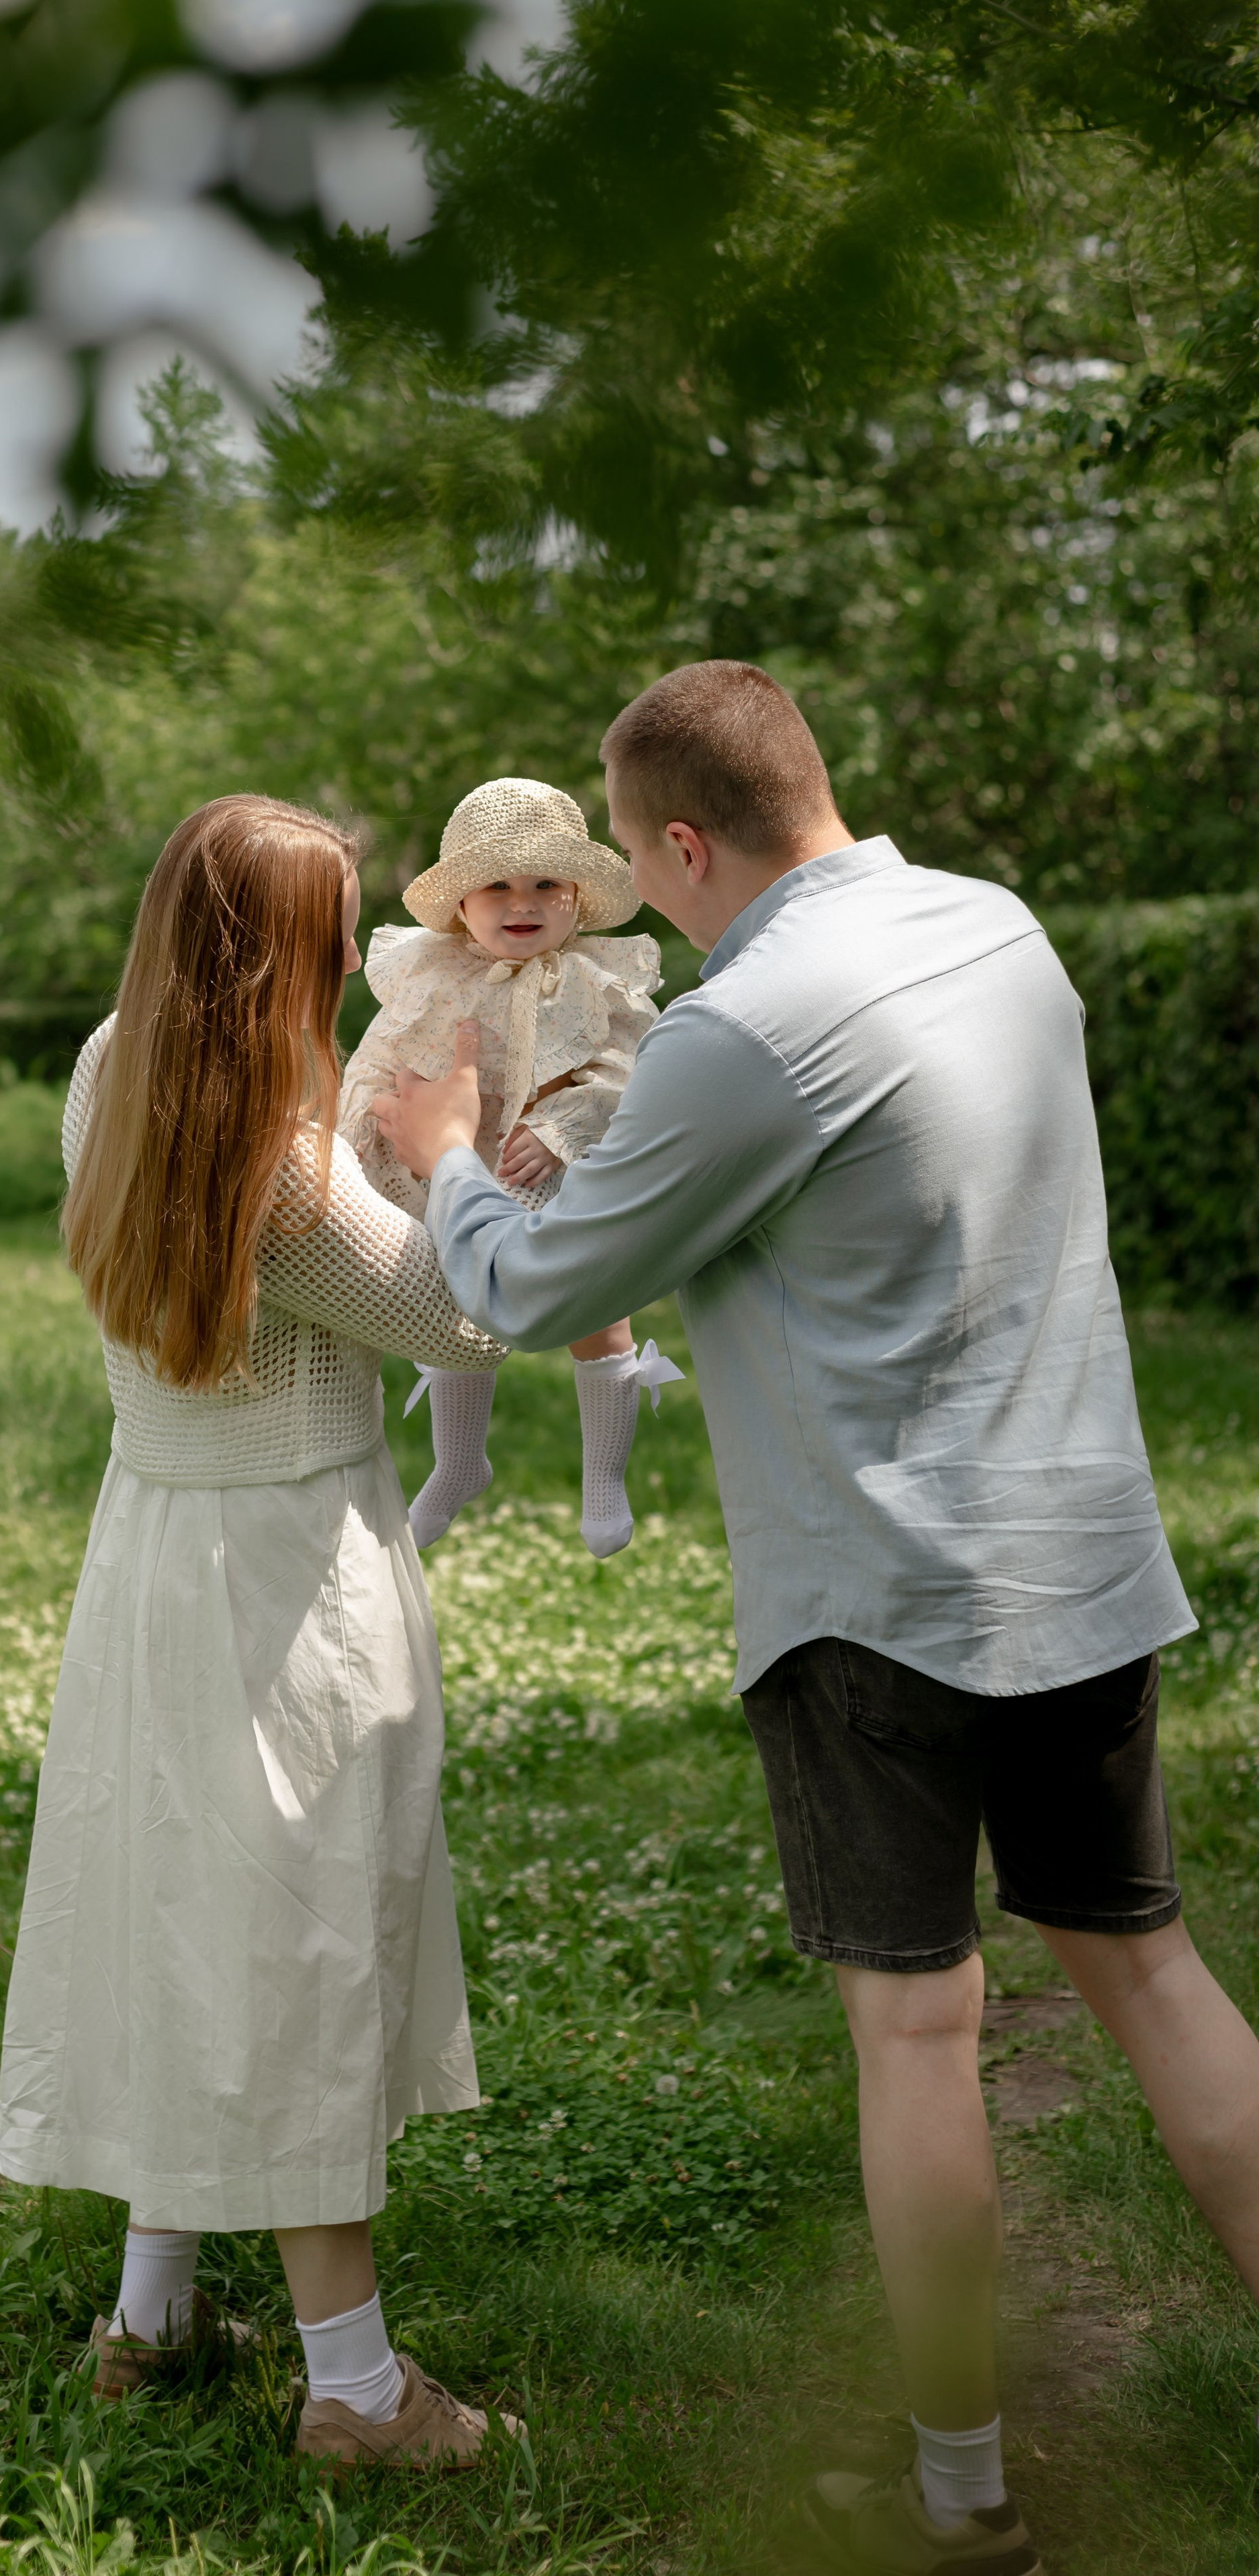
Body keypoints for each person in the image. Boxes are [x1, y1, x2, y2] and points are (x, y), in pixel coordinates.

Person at [373, 660, 1259, 2573]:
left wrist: (444, 1152)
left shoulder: (744, 1024)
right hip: (1079, 1546)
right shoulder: (998, 926)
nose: (633, 889)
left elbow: (537, 1293)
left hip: (879, 1598)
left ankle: (964, 2503)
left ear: (684, 840)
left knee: (920, 2034)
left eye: (631, 857)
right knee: (1155, 1972)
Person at [0, 793, 518, 2470]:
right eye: (330, 933)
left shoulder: (108, 1068)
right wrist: (448, 1156)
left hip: (152, 1549)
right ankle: (355, 2386)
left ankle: (148, 2314)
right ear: (274, 954)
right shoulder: (275, 1168)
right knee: (292, 1948)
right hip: (287, 1573)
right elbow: (452, 1308)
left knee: (183, 1908)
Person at [339, 774, 680, 1557]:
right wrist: (364, 1131)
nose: (520, 903)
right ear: (461, 905)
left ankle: (606, 1475)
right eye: (496, 886)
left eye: (543, 885)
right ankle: (459, 1462)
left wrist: (564, 1122)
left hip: (564, 1170)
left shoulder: (597, 980)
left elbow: (632, 1071)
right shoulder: (433, 975)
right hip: (462, 1166)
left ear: (576, 898)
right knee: (456, 1305)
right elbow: (384, 1059)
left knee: (597, 1309)